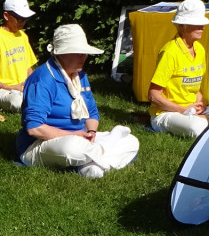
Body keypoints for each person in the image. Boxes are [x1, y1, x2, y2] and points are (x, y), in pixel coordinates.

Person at [17, 24, 140, 178]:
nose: (84, 56)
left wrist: (91, 132)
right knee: (72, 148)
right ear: (62, 53)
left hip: (80, 137)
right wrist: (74, 136)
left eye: (85, 52)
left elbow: (92, 113)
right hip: (40, 143)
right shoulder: (42, 80)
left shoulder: (80, 76)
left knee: (131, 141)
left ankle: (91, 166)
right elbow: (34, 128)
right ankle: (100, 155)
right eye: (79, 52)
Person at [147, 0, 209, 137]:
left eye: (202, 24)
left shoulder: (200, 49)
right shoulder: (170, 52)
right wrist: (182, 109)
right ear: (182, 26)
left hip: (193, 111)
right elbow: (153, 95)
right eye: (197, 24)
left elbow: (196, 88)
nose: (202, 27)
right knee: (197, 127)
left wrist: (200, 103)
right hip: (167, 113)